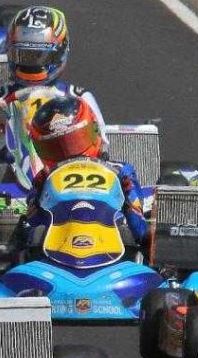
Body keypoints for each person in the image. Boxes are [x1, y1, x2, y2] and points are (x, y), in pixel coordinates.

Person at [0, 6, 105, 164]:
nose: (31, 64)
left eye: (39, 56)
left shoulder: (78, 97)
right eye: (23, 55)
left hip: (65, 172)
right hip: (12, 175)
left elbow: (101, 145)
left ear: (60, 52)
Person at [25, 94, 148, 245]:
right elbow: (33, 221)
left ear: (94, 129)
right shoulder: (44, 178)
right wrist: (38, 194)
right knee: (33, 236)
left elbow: (140, 228)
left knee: (136, 234)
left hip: (112, 234)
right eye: (55, 148)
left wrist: (128, 198)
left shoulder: (120, 171)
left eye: (74, 142)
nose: (68, 154)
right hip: (58, 239)